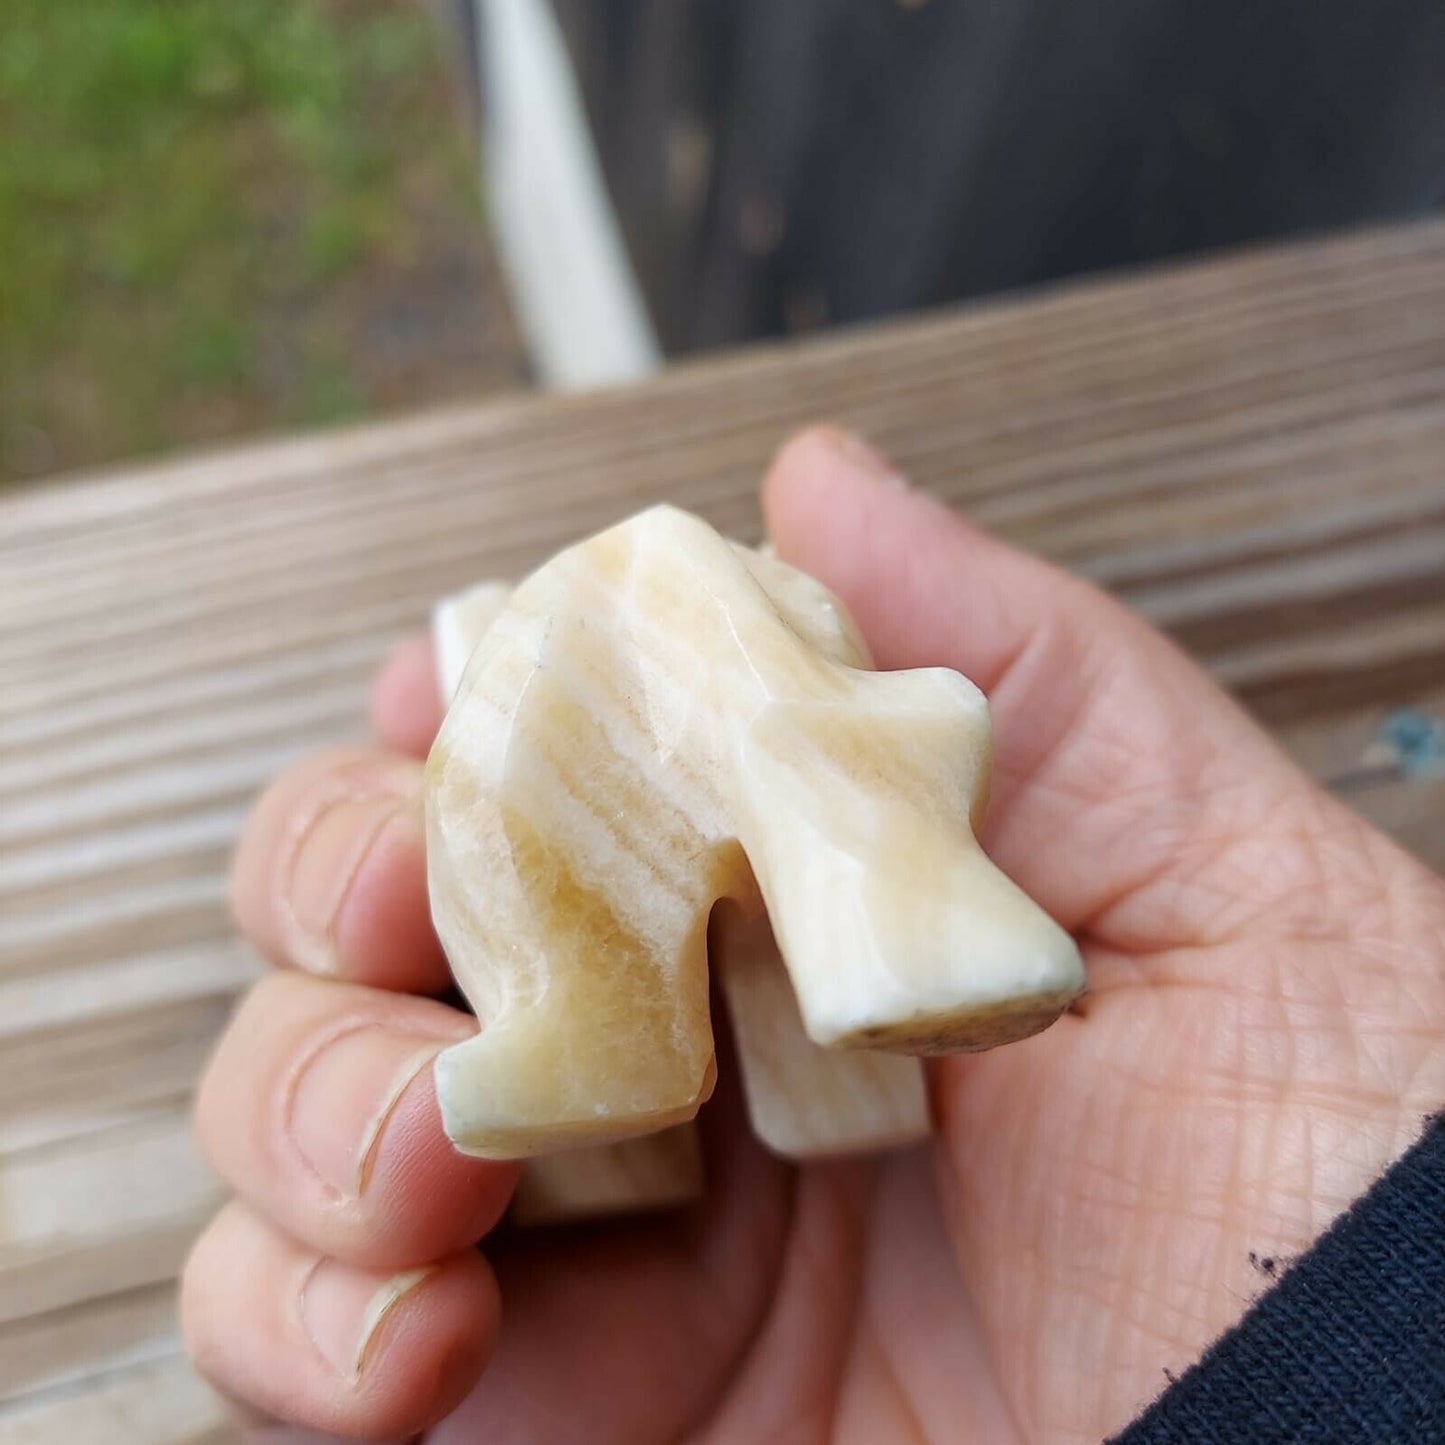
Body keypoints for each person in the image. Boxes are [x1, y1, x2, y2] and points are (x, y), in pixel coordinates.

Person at [181, 427, 1445, 1443]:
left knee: (697, 692)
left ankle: (830, 904)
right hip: (623, 841)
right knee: (556, 887)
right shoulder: (569, 718)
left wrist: (1343, 1317)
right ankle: (753, 941)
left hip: (736, 785)